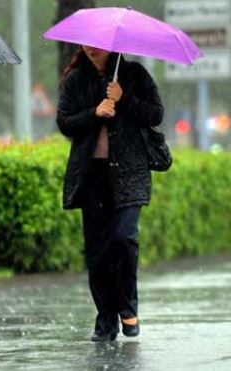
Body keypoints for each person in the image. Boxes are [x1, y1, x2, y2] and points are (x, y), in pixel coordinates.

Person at [57, 46, 163, 342]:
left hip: (129, 172)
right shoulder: (77, 80)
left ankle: (128, 307)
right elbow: (64, 122)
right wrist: (95, 112)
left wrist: (123, 99)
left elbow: (156, 114)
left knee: (124, 238)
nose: (90, 49)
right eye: (86, 44)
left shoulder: (134, 75)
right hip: (91, 175)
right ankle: (106, 318)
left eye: (97, 44)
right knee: (97, 251)